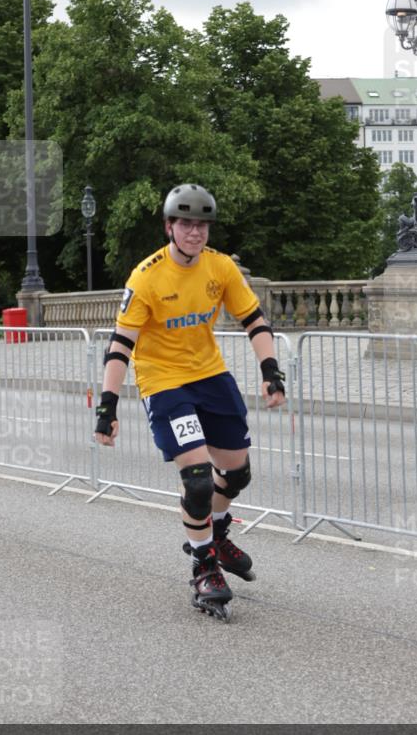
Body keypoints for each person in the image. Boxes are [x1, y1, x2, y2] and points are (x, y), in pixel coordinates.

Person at [94, 183, 286, 622]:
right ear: (169, 227)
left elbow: (254, 320)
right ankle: (203, 566)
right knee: (198, 481)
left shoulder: (220, 268)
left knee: (237, 472)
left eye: (201, 224)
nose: (194, 232)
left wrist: (270, 370)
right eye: (186, 223)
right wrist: (107, 407)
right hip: (164, 383)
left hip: (210, 376)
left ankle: (215, 533)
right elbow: (121, 344)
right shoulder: (146, 276)